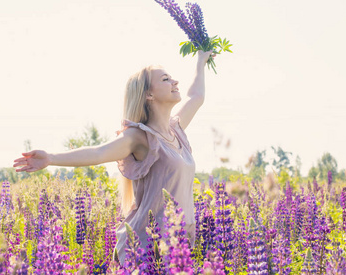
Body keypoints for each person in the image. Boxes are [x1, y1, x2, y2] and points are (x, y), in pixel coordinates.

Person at [13, 50, 215, 264]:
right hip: (147, 247)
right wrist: (51, 158)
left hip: (178, 242)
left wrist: (201, 60)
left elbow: (196, 97)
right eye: (165, 79)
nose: (174, 81)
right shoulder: (140, 137)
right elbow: (99, 152)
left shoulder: (176, 130)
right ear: (149, 95)